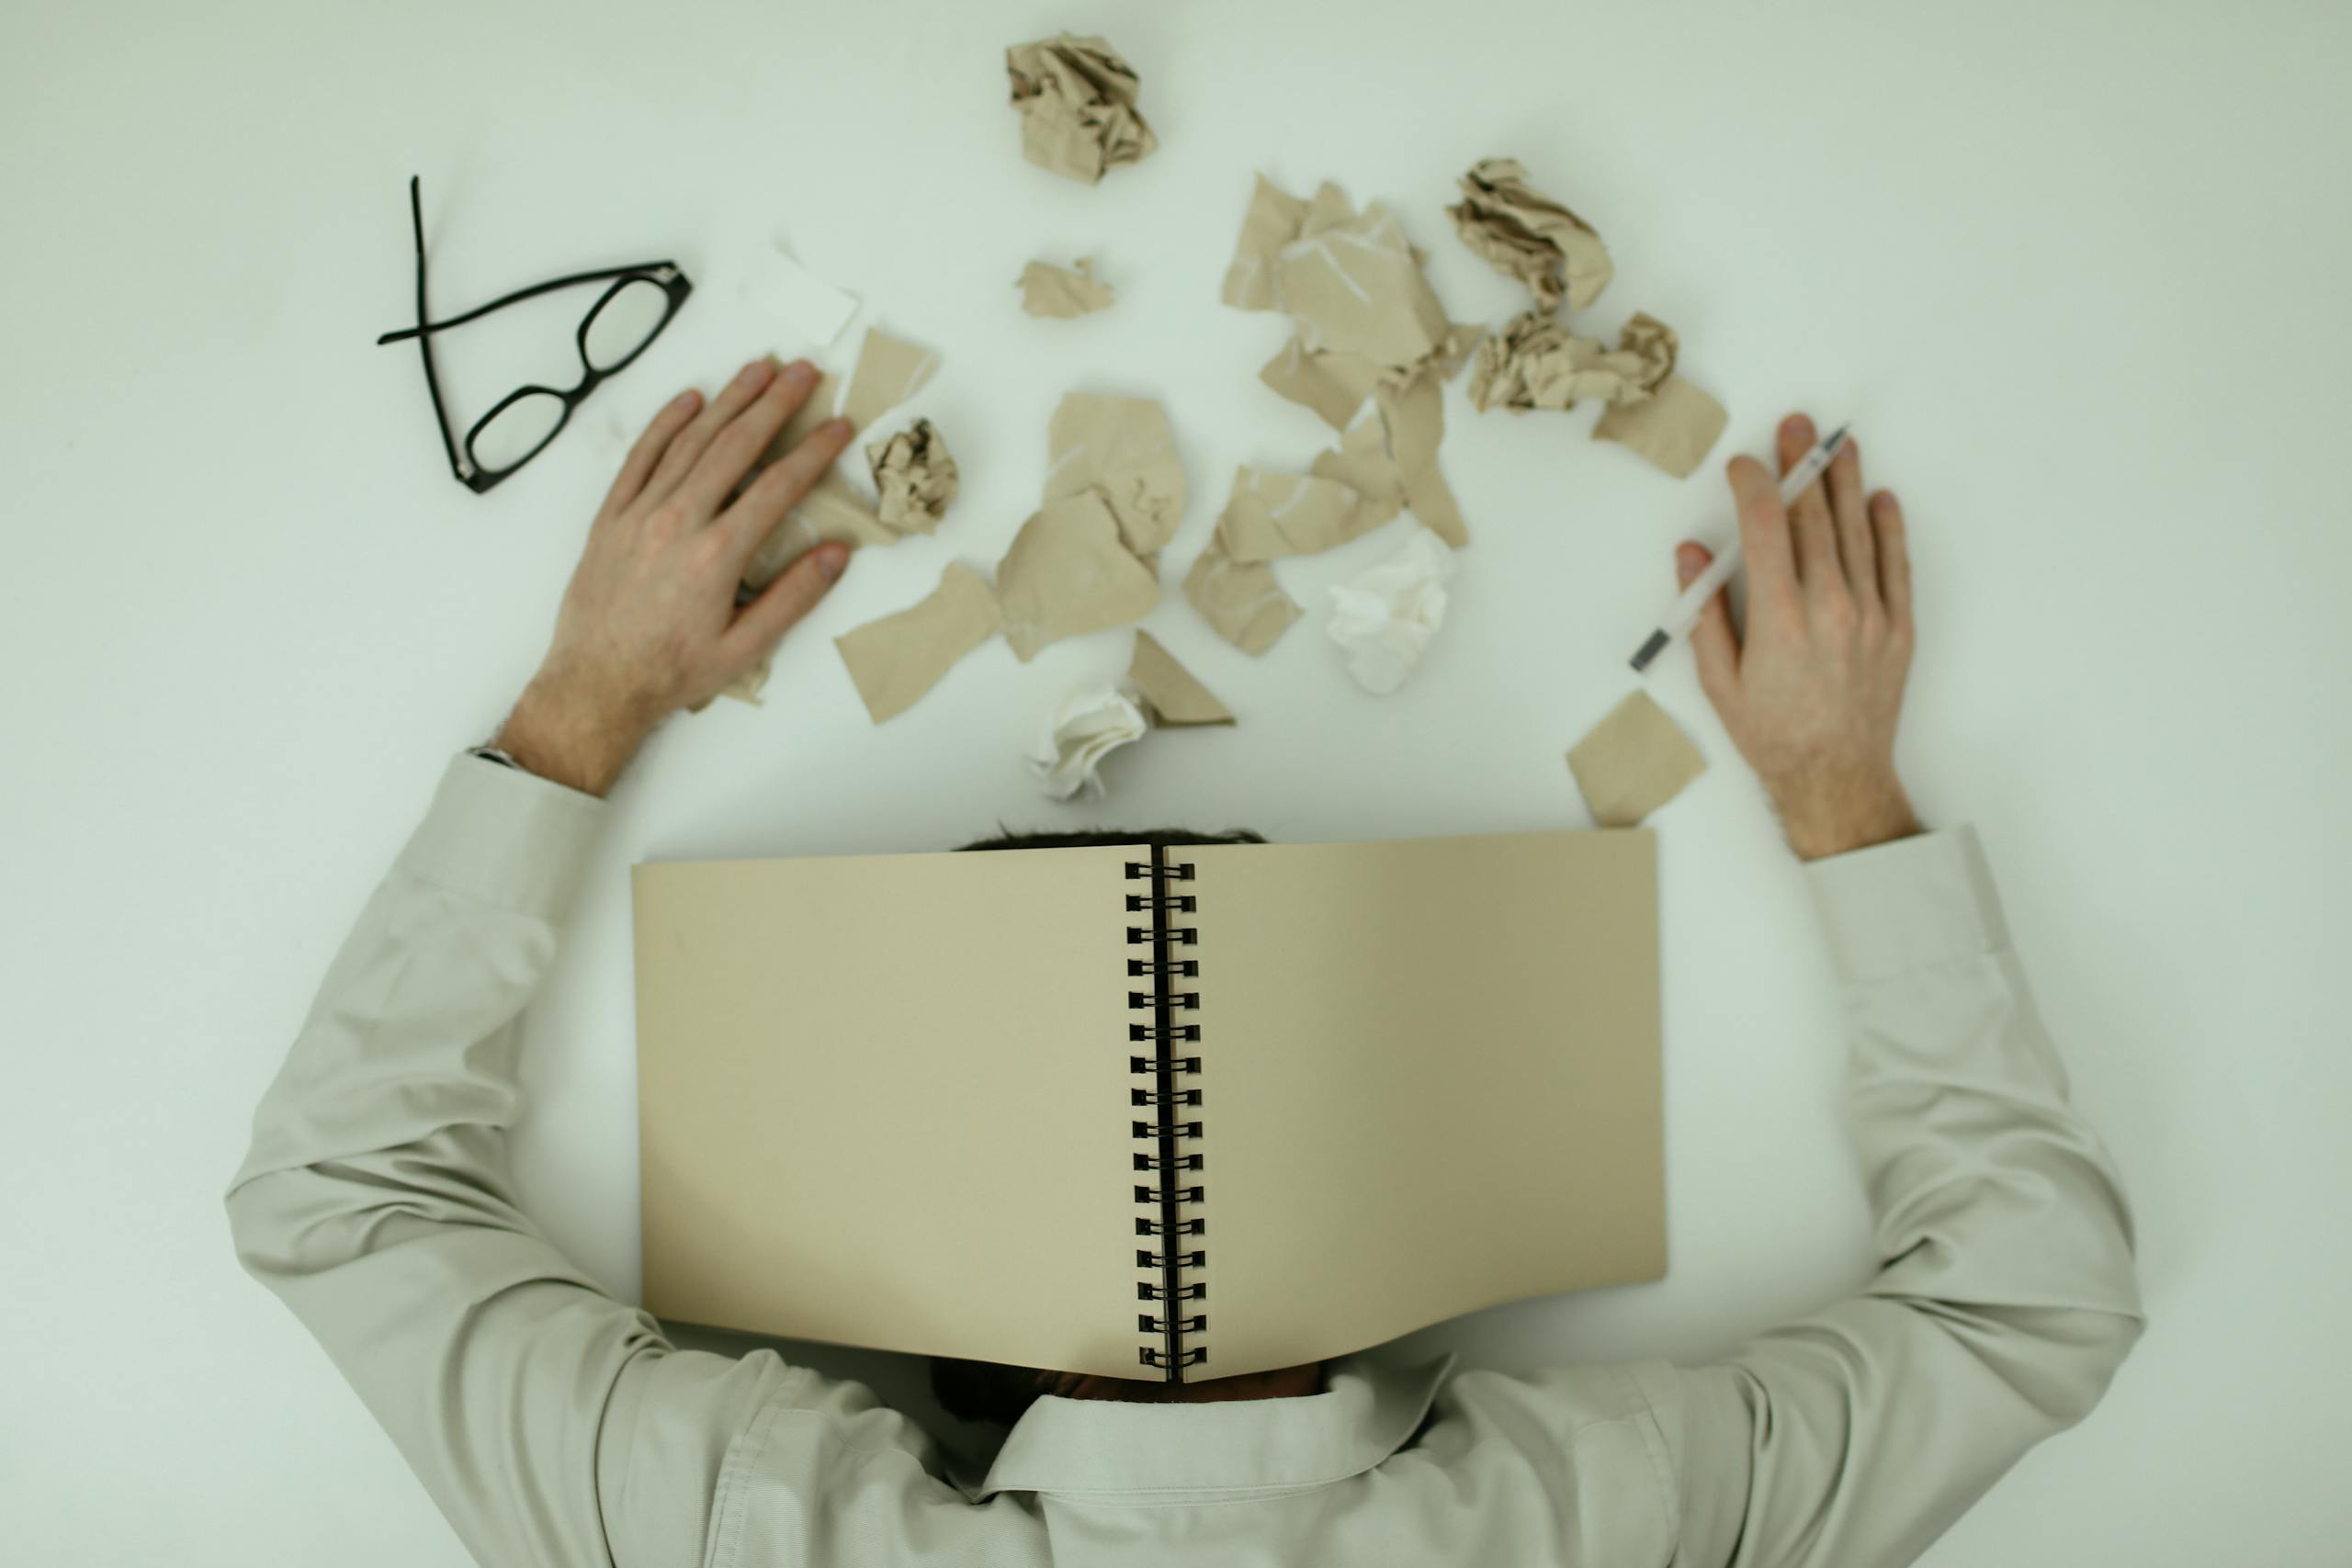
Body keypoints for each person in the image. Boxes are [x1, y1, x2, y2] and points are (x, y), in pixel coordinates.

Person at [227, 355, 2143, 1565]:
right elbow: (2030, 1301)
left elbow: (338, 1201)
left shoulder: (745, 1527)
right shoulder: (1595, 1512)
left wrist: (581, 707)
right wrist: (1835, 795)